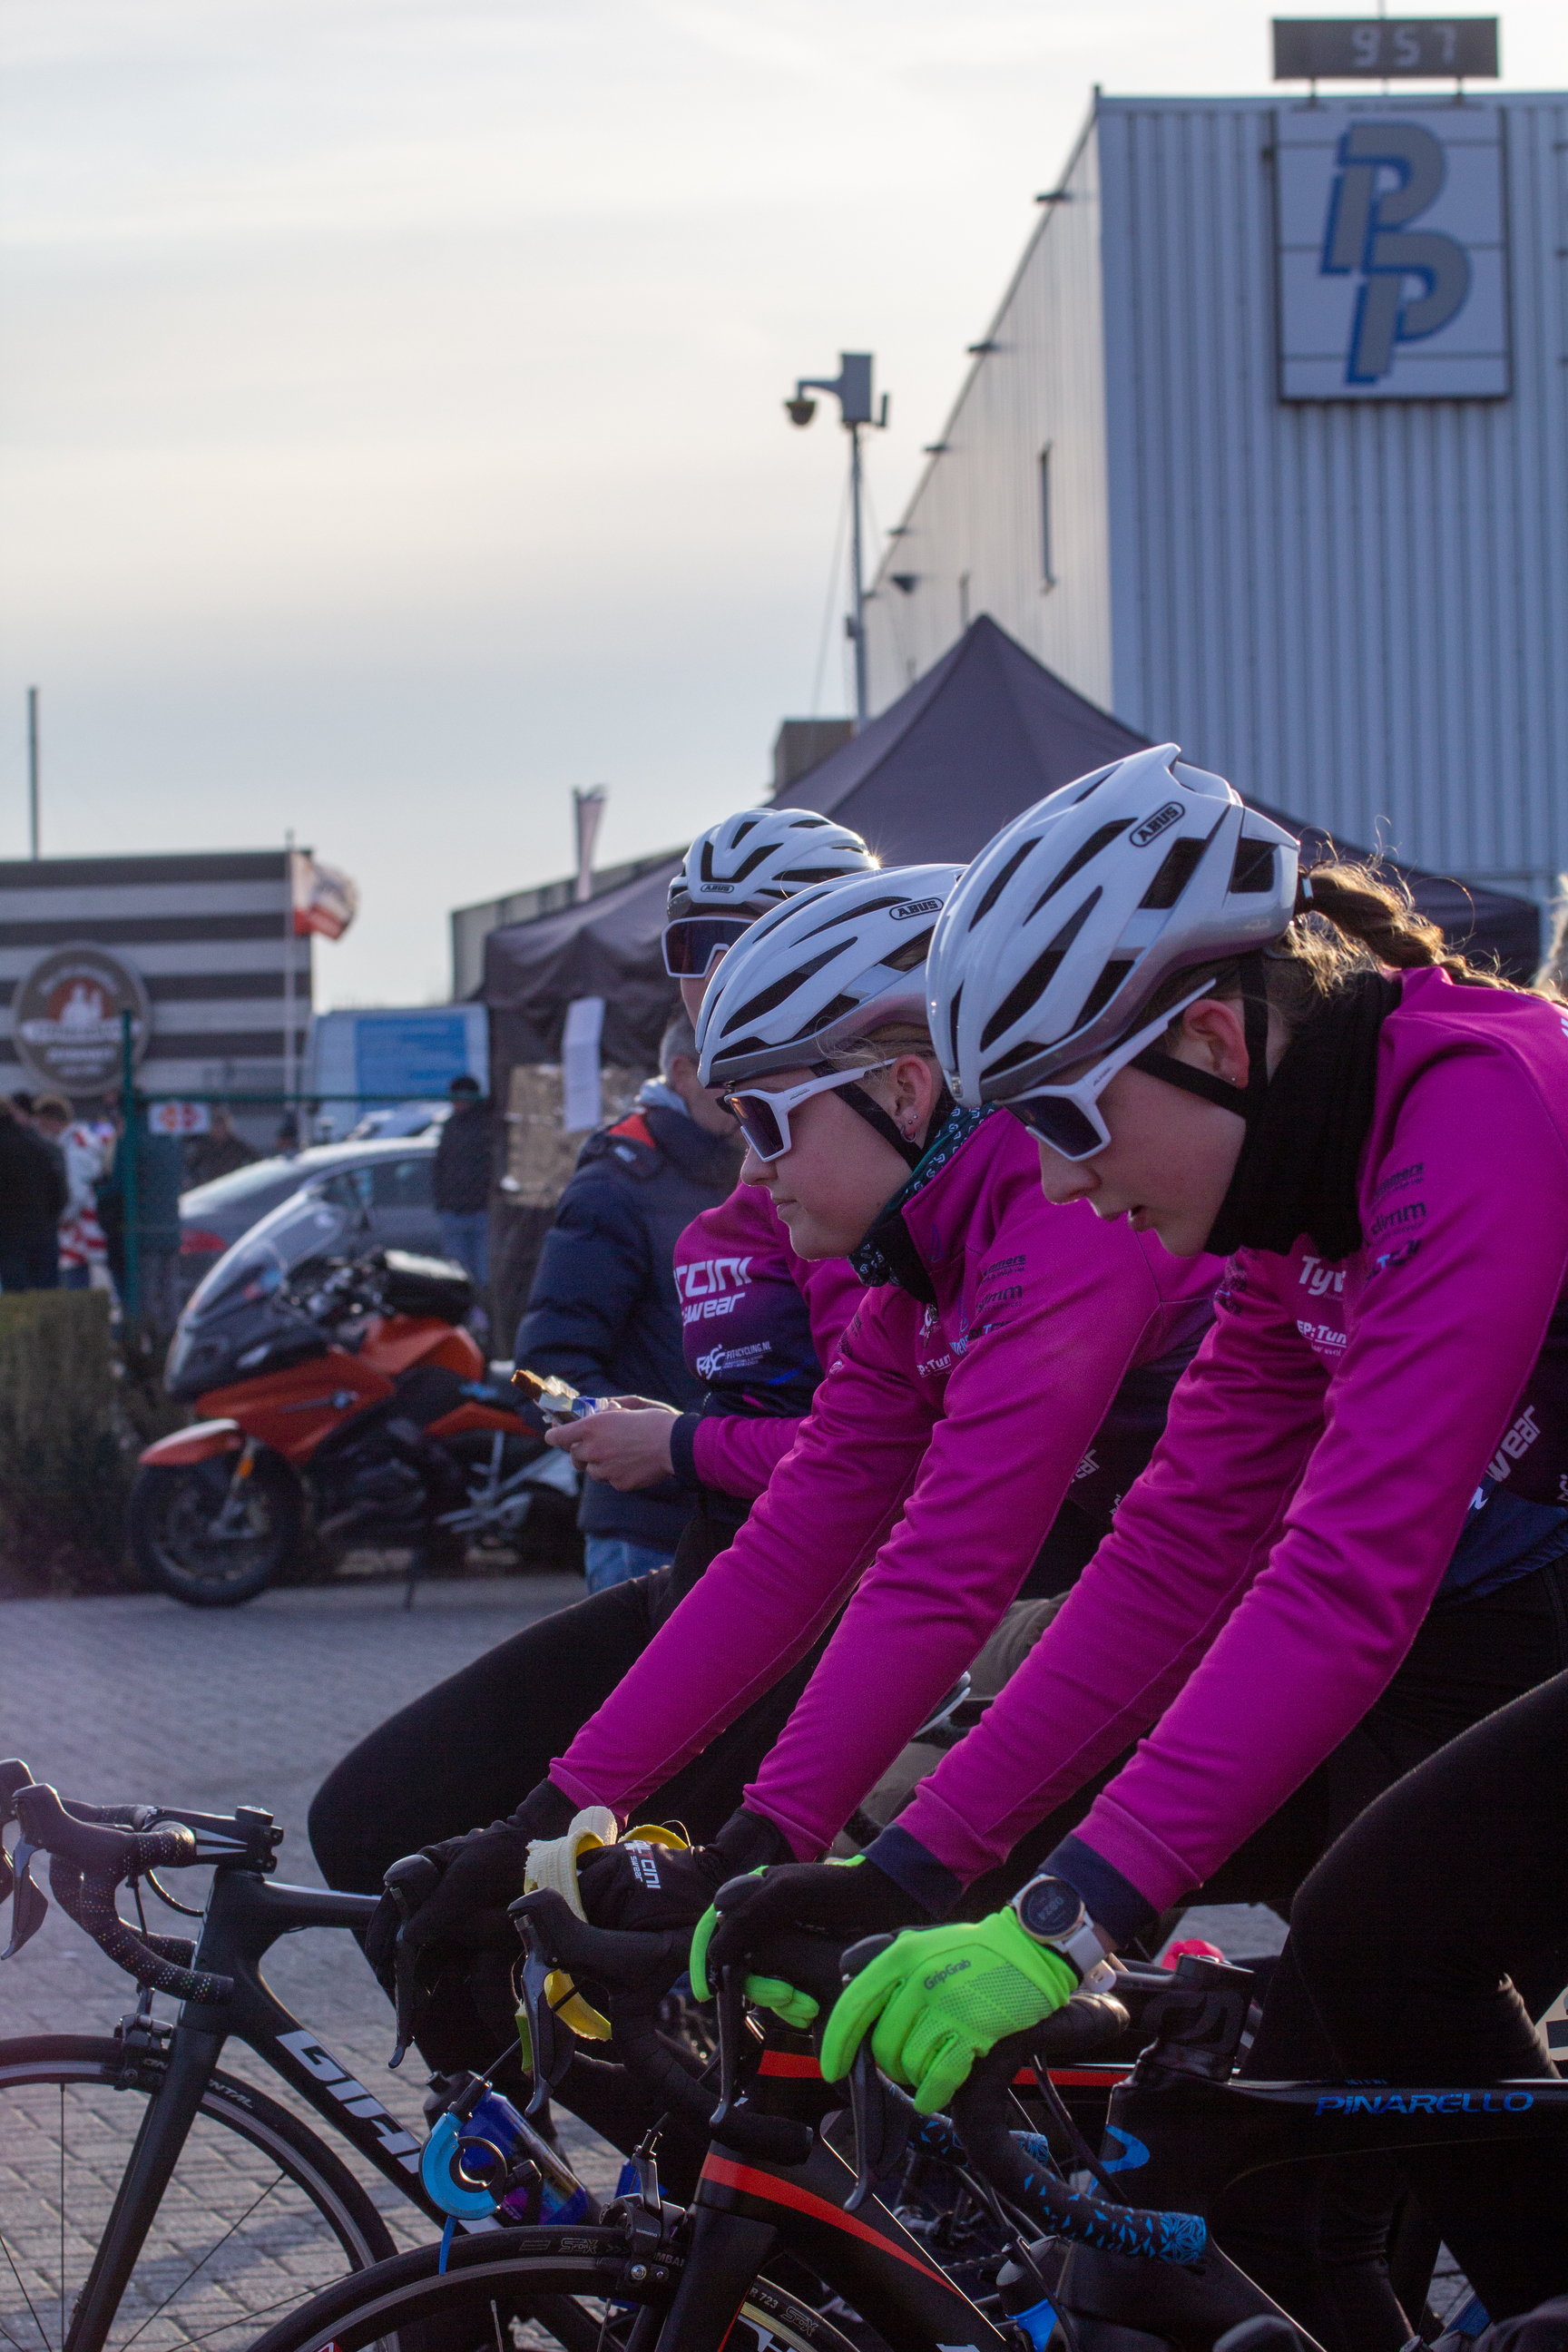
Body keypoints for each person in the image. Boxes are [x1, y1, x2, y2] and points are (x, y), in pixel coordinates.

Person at [699, 746, 1568, 2347]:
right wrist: (902, 1867)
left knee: (1384, 1927)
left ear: (1215, 1037)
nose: (1051, 1177)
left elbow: (1343, 1573)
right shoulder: (1297, 1196)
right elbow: (1173, 1553)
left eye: (1058, 1112)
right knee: (1336, 2027)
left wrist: (1063, 1919)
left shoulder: (1478, 1102)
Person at [373, 861, 1218, 2029]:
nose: (752, 1165)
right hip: (1189, 1629)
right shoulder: (916, 1277)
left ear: (907, 1090)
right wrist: (552, 1816)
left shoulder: (1050, 1219)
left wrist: (758, 1847)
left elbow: (940, 1573)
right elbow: (787, 1553)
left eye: (768, 1120)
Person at [514, 1011, 742, 1592]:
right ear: (683, 1072)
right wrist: (632, 1442)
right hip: (646, 1534)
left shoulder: (758, 1170)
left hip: (753, 1514)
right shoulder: (614, 1186)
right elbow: (540, 1373)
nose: (752, 1091)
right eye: (732, 1073)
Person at [33, 1096, 107, 1291]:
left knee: (77, 1284)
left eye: (41, 1123)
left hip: (80, 1230)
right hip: (86, 1229)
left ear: (50, 1120)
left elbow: (77, 1193)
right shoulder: (80, 1140)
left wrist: (60, 1218)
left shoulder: (74, 1146)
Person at [431, 1075, 494, 1284]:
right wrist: (442, 1201)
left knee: (484, 1275)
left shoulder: (487, 1126)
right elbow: (440, 1166)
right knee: (457, 1276)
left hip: (481, 1211)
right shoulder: (451, 1127)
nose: (455, 1103)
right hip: (454, 1211)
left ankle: (484, 1313)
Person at [0, 1096, 67, 1290]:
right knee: (46, 1295)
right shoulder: (40, 1146)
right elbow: (59, 1192)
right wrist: (48, 1219)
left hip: (8, 1237)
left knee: (17, 1299)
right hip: (42, 1232)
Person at [183, 1107, 260, 1190]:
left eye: (222, 1125)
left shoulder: (237, 1145)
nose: (219, 1129)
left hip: (234, 1186)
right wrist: (200, 1181)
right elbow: (191, 1167)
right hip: (212, 1186)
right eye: (216, 1125)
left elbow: (257, 1160)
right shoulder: (205, 1145)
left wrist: (244, 1177)